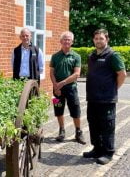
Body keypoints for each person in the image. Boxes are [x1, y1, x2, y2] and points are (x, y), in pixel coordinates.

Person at [83, 29, 126, 165]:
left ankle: (108, 152)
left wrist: (113, 89)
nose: (98, 41)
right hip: (93, 98)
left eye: (101, 38)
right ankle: (97, 149)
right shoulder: (92, 56)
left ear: (106, 40)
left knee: (107, 125)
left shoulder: (113, 55)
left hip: (107, 99)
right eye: (96, 38)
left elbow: (122, 74)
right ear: (93, 40)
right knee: (93, 124)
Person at [49, 31, 86, 144]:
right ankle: (62, 131)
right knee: (58, 109)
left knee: (75, 110)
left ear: (72, 42)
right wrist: (56, 86)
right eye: (64, 39)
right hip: (57, 90)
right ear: (61, 41)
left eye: (69, 39)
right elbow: (51, 73)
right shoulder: (55, 56)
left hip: (71, 88)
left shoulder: (76, 56)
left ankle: (78, 132)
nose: (66, 41)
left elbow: (77, 74)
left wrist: (62, 83)